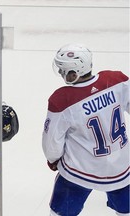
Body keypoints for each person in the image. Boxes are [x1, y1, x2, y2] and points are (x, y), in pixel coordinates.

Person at [42, 43, 129, 216]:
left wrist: (53, 159)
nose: (61, 73)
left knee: (60, 213)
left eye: (63, 70)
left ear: (74, 73)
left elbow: (52, 142)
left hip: (79, 171)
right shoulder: (116, 80)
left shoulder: (62, 100)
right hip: (121, 168)